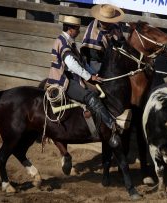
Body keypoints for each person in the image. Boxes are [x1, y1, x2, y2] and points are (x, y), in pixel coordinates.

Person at [46, 15, 120, 147]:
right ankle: (111, 127)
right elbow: (72, 65)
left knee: (97, 90)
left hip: (71, 77)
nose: (79, 31)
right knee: (90, 96)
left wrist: (94, 74)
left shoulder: (68, 41)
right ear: (70, 29)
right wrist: (90, 77)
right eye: (77, 29)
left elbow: (82, 63)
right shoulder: (63, 42)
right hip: (63, 80)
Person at [80, 4, 125, 72]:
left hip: (115, 60)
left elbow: (122, 43)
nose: (108, 23)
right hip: (97, 62)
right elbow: (94, 56)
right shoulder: (92, 31)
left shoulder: (116, 27)